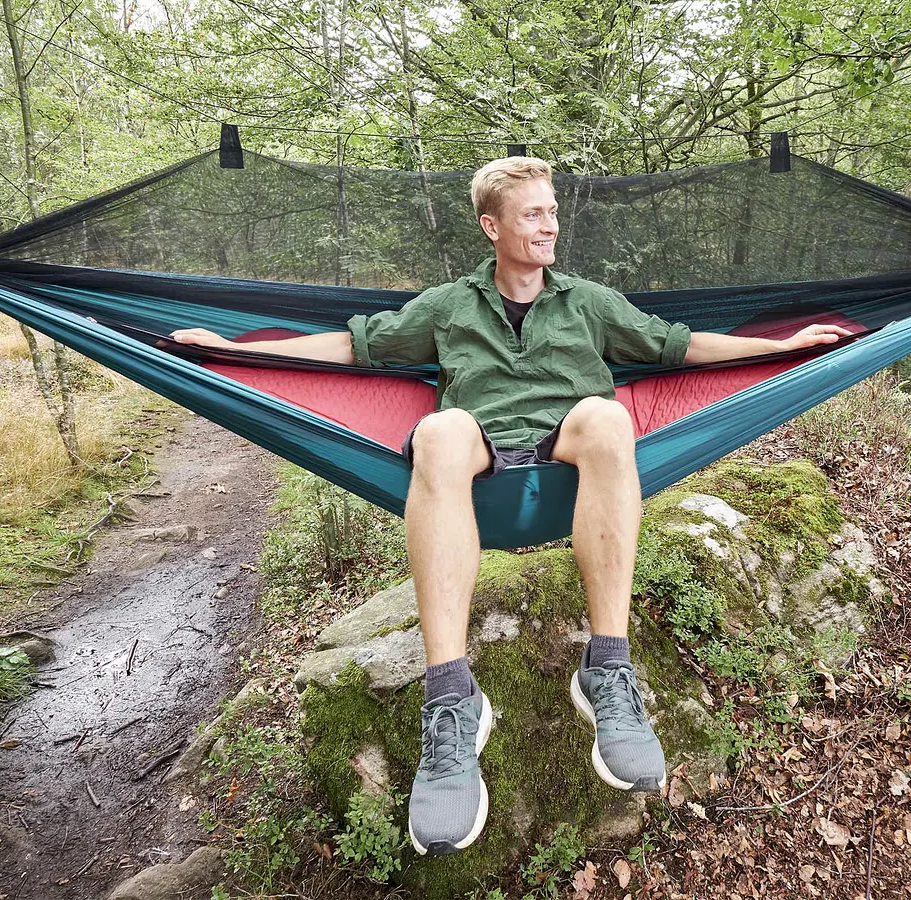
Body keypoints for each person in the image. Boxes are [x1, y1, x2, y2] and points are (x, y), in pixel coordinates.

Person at [170, 157, 850, 856]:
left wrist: (779, 346)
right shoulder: (448, 305)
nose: (550, 224)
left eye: (553, 211)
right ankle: (452, 699)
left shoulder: (588, 300)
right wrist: (236, 350)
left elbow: (679, 345)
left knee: (611, 419)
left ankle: (608, 669)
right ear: (491, 226)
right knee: (436, 431)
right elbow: (352, 344)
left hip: (567, 448)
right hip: (482, 450)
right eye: (533, 213)